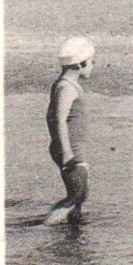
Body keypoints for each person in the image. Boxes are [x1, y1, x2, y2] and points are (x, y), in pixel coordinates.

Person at [44, 37, 94, 225]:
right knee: (76, 194)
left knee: (79, 194)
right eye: (91, 62)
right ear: (80, 64)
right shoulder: (66, 87)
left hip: (73, 147)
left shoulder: (65, 85)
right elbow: (58, 120)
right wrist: (66, 153)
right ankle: (45, 227)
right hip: (70, 149)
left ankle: (75, 232)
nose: (92, 66)